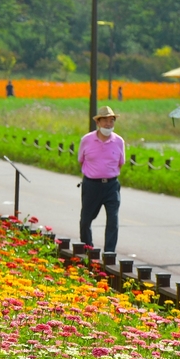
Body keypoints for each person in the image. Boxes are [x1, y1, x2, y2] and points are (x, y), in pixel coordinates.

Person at [78, 106, 125, 253]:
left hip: (111, 185)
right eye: (104, 120)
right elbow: (81, 160)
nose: (108, 124)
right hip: (92, 185)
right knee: (86, 220)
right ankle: (87, 248)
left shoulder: (119, 141)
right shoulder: (87, 140)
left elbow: (121, 162)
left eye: (111, 121)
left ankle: (109, 253)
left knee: (113, 220)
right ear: (98, 122)